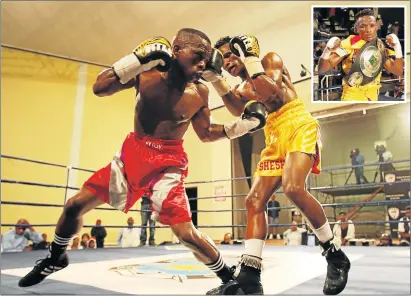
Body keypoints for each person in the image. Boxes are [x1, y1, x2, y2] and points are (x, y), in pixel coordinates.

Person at [18, 28, 267, 289]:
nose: (203, 63)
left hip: (168, 164)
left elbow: (206, 134)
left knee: (185, 234)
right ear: (176, 51)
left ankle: (230, 279)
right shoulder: (147, 73)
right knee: (73, 206)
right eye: (196, 56)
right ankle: (56, 257)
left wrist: (244, 126)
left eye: (206, 58)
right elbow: (100, 88)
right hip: (132, 155)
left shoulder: (200, 92)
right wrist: (135, 59)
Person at [205, 34, 350, 295]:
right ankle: (250, 276)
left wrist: (250, 58)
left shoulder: (269, 60)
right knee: (254, 200)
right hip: (273, 133)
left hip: (297, 122)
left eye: (229, 55)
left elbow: (270, 90)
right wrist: (216, 80)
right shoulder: (241, 87)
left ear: (241, 49)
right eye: (222, 60)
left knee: (293, 187)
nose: (226, 62)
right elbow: (239, 109)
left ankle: (335, 255)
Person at [318, 8, 404, 101]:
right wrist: (327, 50)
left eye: (372, 26)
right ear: (356, 28)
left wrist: (397, 48)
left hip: (373, 98)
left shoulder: (379, 45)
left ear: (376, 27)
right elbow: (322, 69)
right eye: (363, 26)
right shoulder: (350, 44)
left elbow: (398, 71)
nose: (368, 30)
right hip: (352, 98)